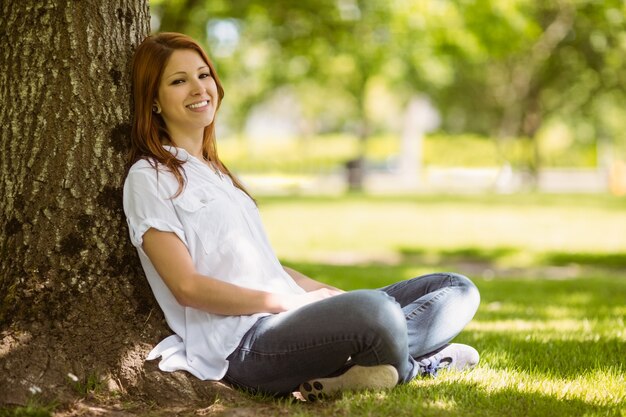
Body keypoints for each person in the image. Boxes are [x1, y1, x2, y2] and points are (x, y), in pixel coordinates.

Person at [123, 32, 481, 401]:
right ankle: (416, 366)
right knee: (378, 312)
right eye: (179, 81)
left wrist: (326, 296)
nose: (198, 88)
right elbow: (187, 287)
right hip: (246, 344)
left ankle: (363, 368)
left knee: (457, 290)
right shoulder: (150, 177)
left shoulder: (218, 174)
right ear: (153, 100)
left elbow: (267, 266)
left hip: (288, 315)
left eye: (203, 75)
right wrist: (290, 304)